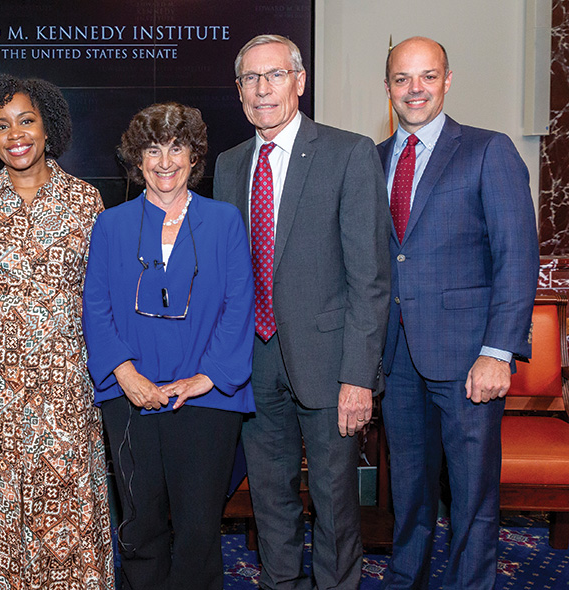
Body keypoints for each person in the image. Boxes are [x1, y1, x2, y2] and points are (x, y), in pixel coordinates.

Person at [212, 34, 391, 590]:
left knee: (335, 502)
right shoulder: (229, 164)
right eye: (250, 79)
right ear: (238, 90)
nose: (262, 89)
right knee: (269, 497)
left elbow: (371, 278)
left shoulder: (348, 152)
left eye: (274, 75)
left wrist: (358, 378)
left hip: (329, 363)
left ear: (299, 81)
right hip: (254, 363)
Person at [377, 37, 538, 590]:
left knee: (472, 498)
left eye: (426, 76)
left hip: (471, 359)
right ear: (389, 88)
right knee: (409, 493)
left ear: (448, 81)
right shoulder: (374, 160)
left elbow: (517, 258)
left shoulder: (488, 151)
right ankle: (407, 580)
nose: (414, 89)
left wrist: (498, 352)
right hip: (397, 360)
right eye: (402, 79)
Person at [83, 102, 254, 590]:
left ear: (194, 156)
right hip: (131, 398)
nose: (164, 161)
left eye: (176, 147)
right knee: (141, 526)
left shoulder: (224, 221)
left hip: (206, 400)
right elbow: (96, 306)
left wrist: (206, 378)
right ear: (136, 159)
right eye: (152, 149)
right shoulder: (110, 225)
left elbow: (239, 305)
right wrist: (126, 374)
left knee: (199, 531)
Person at [0, 73, 114, 589]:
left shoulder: (85, 201)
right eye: (2, 126)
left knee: (65, 504)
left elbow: (101, 295)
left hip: (65, 382)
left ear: (48, 128)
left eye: (26, 121)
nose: (15, 134)